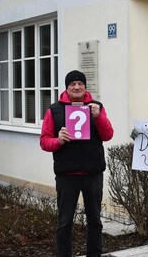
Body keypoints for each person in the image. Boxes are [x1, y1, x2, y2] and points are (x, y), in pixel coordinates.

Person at [40, 70, 114, 257]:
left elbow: (108, 135)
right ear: (66, 88)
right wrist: (58, 140)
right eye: (72, 84)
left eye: (80, 83)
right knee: (64, 222)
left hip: (92, 174)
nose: (76, 87)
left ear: (85, 86)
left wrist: (99, 117)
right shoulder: (54, 110)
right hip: (67, 175)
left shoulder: (96, 107)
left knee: (95, 221)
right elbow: (44, 141)